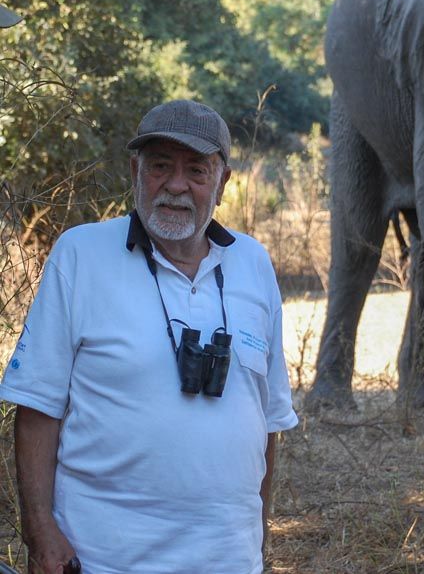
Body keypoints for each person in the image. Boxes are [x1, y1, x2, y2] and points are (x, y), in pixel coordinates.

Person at [0, 99, 298, 574]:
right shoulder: (81, 254)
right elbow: (37, 408)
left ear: (222, 183)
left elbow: (265, 421)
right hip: (103, 560)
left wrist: (257, 540)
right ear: (135, 170)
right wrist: (42, 536)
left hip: (227, 560)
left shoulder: (254, 263)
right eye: (161, 166)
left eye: (196, 171)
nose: (176, 186)